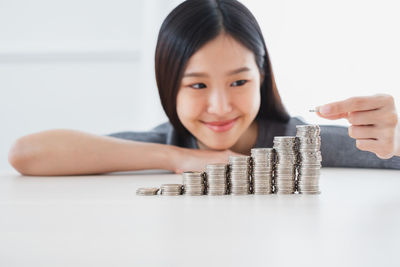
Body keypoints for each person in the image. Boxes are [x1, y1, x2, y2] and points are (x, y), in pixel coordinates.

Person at [8, 0, 400, 176]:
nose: (220, 106)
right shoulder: (163, 145)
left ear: (262, 77)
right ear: (168, 86)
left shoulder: (300, 141)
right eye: (197, 84)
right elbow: (26, 153)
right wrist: (175, 158)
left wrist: (394, 138)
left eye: (239, 81)